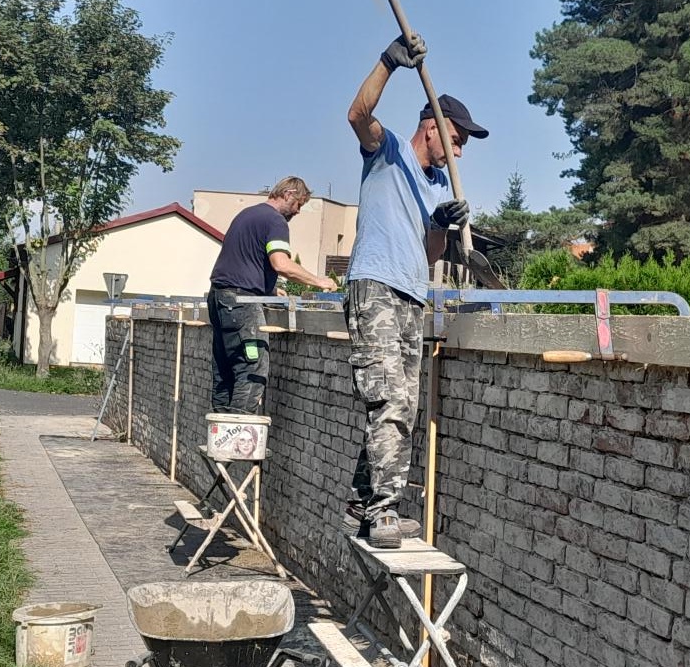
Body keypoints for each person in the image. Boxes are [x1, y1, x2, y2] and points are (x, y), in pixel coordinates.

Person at [343, 33, 489, 548]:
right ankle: (384, 510)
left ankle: (363, 504)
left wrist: (442, 225)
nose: (461, 151)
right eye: (458, 139)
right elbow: (357, 114)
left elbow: (429, 256)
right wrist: (388, 62)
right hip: (375, 286)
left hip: (410, 293)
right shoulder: (387, 153)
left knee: (403, 402)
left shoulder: (438, 186)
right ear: (432, 127)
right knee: (388, 399)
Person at [207, 176, 338, 414]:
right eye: (299, 204)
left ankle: (220, 428)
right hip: (241, 305)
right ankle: (239, 432)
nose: (298, 212)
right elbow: (281, 264)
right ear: (288, 194)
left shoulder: (248, 214)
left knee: (225, 370)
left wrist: (268, 288)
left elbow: (244, 259)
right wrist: (318, 281)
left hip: (220, 298)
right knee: (252, 369)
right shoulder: (275, 220)